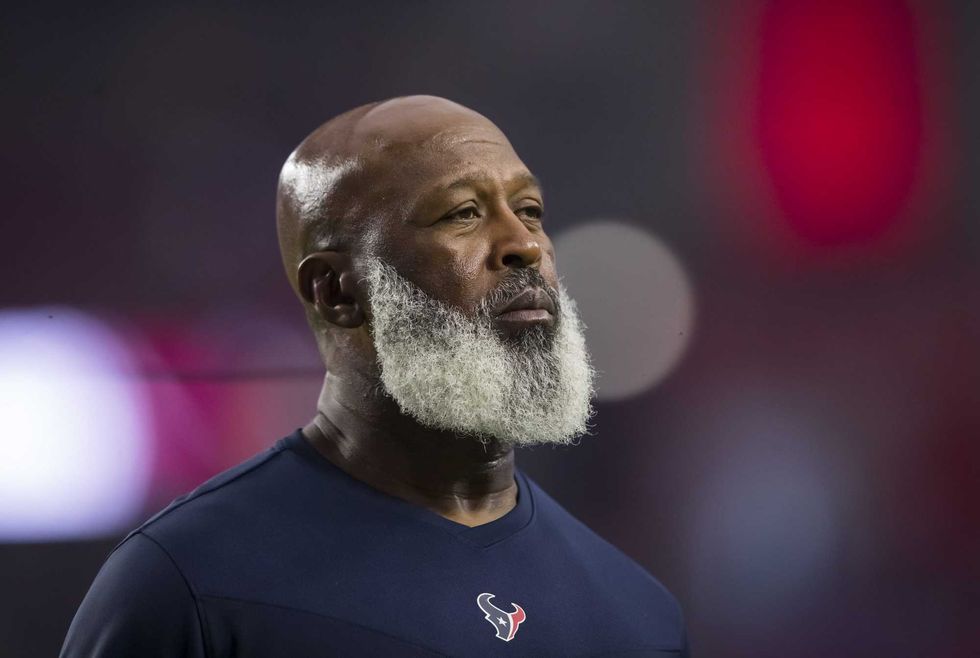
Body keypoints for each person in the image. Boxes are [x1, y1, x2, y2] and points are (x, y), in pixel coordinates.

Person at [61, 96, 689, 657]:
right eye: (463, 214)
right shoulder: (186, 586)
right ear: (337, 289)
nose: (524, 244)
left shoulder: (637, 615)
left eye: (528, 209)